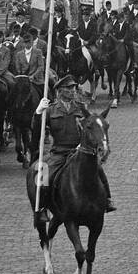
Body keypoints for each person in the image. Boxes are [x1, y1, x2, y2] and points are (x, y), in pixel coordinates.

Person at [34, 74, 115, 216]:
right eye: (68, 88)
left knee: (99, 170)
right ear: (60, 91)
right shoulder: (51, 109)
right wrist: (38, 112)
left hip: (78, 151)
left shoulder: (81, 109)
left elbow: (91, 128)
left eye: (74, 88)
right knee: (43, 174)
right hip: (59, 152)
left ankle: (107, 199)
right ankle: (42, 208)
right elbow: (36, 130)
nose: (72, 91)